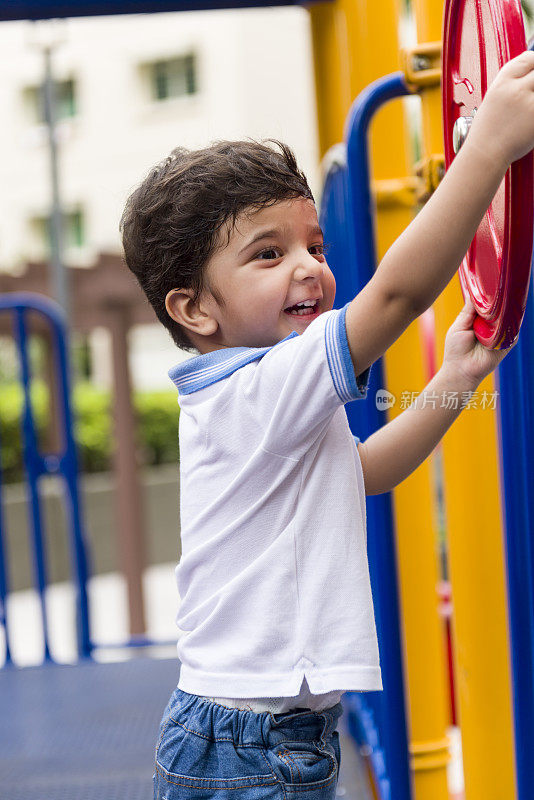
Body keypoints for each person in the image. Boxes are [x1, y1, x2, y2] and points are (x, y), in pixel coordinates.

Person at [119, 50, 534, 800]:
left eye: (315, 246)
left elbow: (362, 472)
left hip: (266, 731)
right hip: (251, 741)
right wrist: (490, 147)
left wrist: (455, 381)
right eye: (269, 254)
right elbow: (398, 296)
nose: (309, 268)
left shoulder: (258, 400)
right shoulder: (255, 393)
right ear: (195, 310)